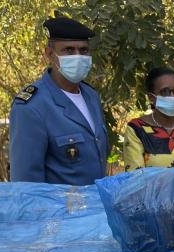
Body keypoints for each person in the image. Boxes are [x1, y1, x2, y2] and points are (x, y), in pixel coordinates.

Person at [9, 17, 109, 185]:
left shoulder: (91, 96)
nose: (78, 57)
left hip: (97, 207)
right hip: (60, 210)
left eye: (83, 50)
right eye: (69, 50)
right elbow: (26, 185)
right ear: (49, 53)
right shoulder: (32, 106)